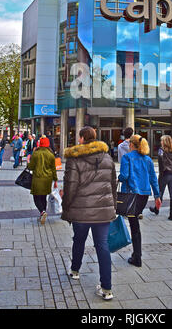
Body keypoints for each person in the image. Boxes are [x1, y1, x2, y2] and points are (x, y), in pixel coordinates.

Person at [61, 126, 117, 301]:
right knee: (103, 246)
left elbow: (70, 187)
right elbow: (113, 185)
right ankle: (107, 288)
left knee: (79, 240)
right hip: (103, 211)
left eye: (79, 138)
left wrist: (66, 207)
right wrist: (112, 206)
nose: (78, 141)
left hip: (81, 210)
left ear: (83, 139)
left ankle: (75, 270)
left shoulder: (74, 159)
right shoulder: (107, 158)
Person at [119, 134, 160, 267]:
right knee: (135, 221)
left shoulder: (127, 157)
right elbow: (153, 178)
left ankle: (137, 257)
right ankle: (137, 255)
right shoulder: (147, 159)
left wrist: (119, 177)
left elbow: (124, 176)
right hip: (144, 195)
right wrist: (157, 196)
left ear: (131, 144)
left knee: (134, 224)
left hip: (131, 195)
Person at [149, 135, 172, 221]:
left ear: (165, 142)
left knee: (160, 193)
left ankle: (156, 209)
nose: (161, 142)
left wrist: (160, 174)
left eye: (162, 140)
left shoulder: (161, 150)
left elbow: (160, 164)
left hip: (165, 174)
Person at [27, 135, 57, 224]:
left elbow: (31, 167)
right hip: (48, 179)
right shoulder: (51, 154)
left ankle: (42, 212)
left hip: (37, 178)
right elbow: (53, 169)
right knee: (43, 197)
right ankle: (42, 213)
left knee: (36, 197)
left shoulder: (36, 154)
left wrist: (28, 161)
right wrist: (55, 180)